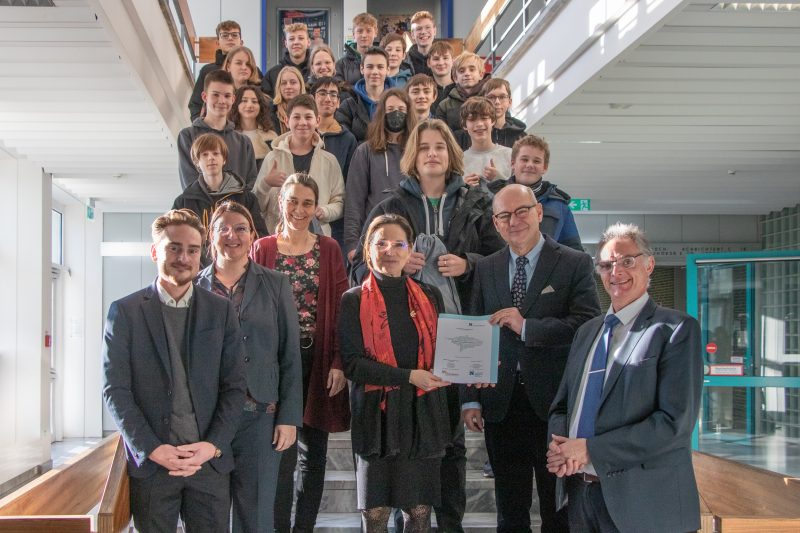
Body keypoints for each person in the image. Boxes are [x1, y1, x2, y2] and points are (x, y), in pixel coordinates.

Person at [356, 119, 505, 532]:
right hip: (406, 345)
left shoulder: (477, 201)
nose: (433, 154)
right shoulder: (388, 206)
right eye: (424, 148)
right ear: (413, 157)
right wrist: (400, 263)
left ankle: (450, 525)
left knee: (453, 444)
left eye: (440, 146)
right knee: (415, 443)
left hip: (462, 335)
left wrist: (468, 264)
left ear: (452, 153)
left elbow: (499, 261)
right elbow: (359, 266)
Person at [547, 223, 703, 533]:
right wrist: (560, 447)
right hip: (581, 495)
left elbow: (674, 424)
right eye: (606, 265)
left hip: (645, 503)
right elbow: (562, 406)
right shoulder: (586, 332)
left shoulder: (675, 330)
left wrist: (591, 449)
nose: (616, 271)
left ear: (650, 264)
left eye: (627, 261)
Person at [462, 184, 600, 533]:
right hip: (501, 404)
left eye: (521, 211)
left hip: (555, 405)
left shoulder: (574, 262)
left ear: (539, 212)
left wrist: (528, 328)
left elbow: (587, 325)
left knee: (557, 508)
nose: (514, 221)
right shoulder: (487, 268)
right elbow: (475, 329)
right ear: (495, 223)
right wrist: (470, 399)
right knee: (510, 507)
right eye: (504, 215)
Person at [102, 209, 246, 533]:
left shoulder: (221, 311)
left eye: (192, 250)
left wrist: (213, 445)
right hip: (154, 466)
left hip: (207, 463)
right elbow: (116, 390)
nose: (184, 257)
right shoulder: (125, 313)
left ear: (201, 254)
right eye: (174, 248)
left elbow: (234, 387)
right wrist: (151, 448)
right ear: (155, 251)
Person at [339, 213, 451, 533]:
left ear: (411, 249)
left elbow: (444, 353)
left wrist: (472, 367)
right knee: (375, 514)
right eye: (381, 242)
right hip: (377, 419)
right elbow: (353, 365)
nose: (390, 249)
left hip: (422, 416)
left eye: (399, 243)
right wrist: (408, 376)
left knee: (418, 512)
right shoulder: (353, 299)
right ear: (368, 249)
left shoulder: (431, 296)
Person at [251, 174, 350, 533]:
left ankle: (303, 528)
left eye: (307, 202)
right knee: (281, 452)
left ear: (316, 207)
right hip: (275, 366)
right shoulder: (262, 248)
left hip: (318, 359)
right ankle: (279, 527)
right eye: (293, 200)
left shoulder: (329, 249)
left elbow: (341, 308)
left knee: (314, 454)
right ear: (281, 202)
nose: (299, 209)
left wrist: (339, 360)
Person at [196, 201, 302, 533]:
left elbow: (289, 354)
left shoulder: (275, 284)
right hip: (205, 418)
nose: (232, 235)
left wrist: (288, 417)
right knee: (208, 514)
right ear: (210, 236)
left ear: (253, 235)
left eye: (240, 228)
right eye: (222, 228)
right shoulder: (194, 288)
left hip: (260, 416)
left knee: (255, 516)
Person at [254, 94, 344, 236]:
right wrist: (265, 184)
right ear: (286, 120)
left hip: (317, 240)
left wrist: (325, 211)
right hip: (279, 239)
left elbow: (340, 201)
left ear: (317, 121)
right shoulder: (272, 158)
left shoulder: (329, 161)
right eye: (296, 117)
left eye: (308, 117)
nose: (302, 122)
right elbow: (257, 206)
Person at [344, 88, 415, 260]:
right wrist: (352, 244)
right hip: (375, 237)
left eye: (401, 110)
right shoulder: (365, 151)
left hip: (411, 237)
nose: (396, 114)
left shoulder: (417, 151)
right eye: (390, 110)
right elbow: (354, 201)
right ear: (382, 113)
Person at [172, 133, 268, 260]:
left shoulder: (246, 198)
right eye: (205, 155)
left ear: (224, 159)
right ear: (197, 162)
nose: (211, 158)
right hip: (198, 272)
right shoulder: (183, 202)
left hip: (239, 267)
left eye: (216, 153)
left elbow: (259, 238)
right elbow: (174, 240)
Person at [488, 135, 583, 251]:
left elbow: (575, 250)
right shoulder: (490, 198)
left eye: (536, 161)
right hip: (499, 267)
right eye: (524, 159)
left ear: (545, 167)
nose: (530, 165)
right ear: (513, 163)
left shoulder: (559, 206)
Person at [178, 69, 257, 190]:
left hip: (237, 208)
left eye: (227, 96)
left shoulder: (243, 142)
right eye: (215, 95)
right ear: (204, 96)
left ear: (233, 99)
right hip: (201, 208)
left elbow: (250, 184)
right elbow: (189, 185)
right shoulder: (187, 136)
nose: (222, 101)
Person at [311, 77, 358, 247]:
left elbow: (349, 184)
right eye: (322, 93)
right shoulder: (303, 132)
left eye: (333, 94)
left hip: (335, 220)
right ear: (313, 99)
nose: (328, 98)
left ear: (338, 103)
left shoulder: (347, 139)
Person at [189, 20, 254, 120]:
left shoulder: (252, 70)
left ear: (241, 42)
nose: (230, 38)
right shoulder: (207, 71)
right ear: (217, 42)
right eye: (225, 35)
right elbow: (196, 104)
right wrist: (201, 126)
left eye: (234, 35)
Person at [335, 47, 393, 142]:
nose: (375, 72)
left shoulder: (397, 104)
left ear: (388, 70)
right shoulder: (349, 105)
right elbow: (344, 140)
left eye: (380, 67)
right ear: (362, 69)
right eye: (370, 67)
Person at [460, 96, 512, 188]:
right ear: (464, 125)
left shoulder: (510, 155)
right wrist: (463, 187)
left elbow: (519, 191)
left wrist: (498, 179)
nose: (479, 124)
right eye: (472, 119)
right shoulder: (459, 161)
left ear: (493, 121)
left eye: (484, 118)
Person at [434, 52, 490, 133]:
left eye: (472, 69)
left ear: (481, 74)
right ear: (455, 78)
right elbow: (442, 135)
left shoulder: (492, 99)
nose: (467, 74)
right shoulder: (444, 106)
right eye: (461, 71)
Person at [229, 86, 277, 170]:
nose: (249, 105)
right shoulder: (228, 135)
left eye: (254, 101)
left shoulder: (271, 137)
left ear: (260, 106)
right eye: (244, 100)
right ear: (236, 104)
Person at [263, 23, 311, 98]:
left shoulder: (316, 72)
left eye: (301, 38)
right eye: (291, 39)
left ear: (308, 42)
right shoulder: (272, 74)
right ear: (286, 43)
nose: (296, 42)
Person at [481, 78, 527, 148]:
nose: (497, 102)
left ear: (510, 102)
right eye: (491, 97)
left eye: (502, 97)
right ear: (483, 101)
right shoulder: (475, 133)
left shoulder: (521, 137)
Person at [336, 12, 378, 86]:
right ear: (353, 35)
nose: (364, 35)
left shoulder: (383, 61)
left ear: (376, 33)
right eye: (360, 31)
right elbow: (339, 90)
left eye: (368, 31)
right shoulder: (341, 65)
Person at [271, 66, 307, 135]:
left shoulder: (310, 109)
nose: (288, 86)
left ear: (301, 85)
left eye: (293, 82)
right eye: (284, 83)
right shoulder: (269, 111)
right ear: (279, 87)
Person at [405, 11, 436, 76]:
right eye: (419, 29)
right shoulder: (404, 61)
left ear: (435, 31)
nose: (423, 32)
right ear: (412, 34)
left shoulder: (445, 61)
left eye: (427, 27)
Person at [427, 41, 454, 109]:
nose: (441, 63)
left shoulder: (460, 89)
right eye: (436, 59)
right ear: (428, 63)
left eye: (445, 58)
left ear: (453, 61)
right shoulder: (424, 90)